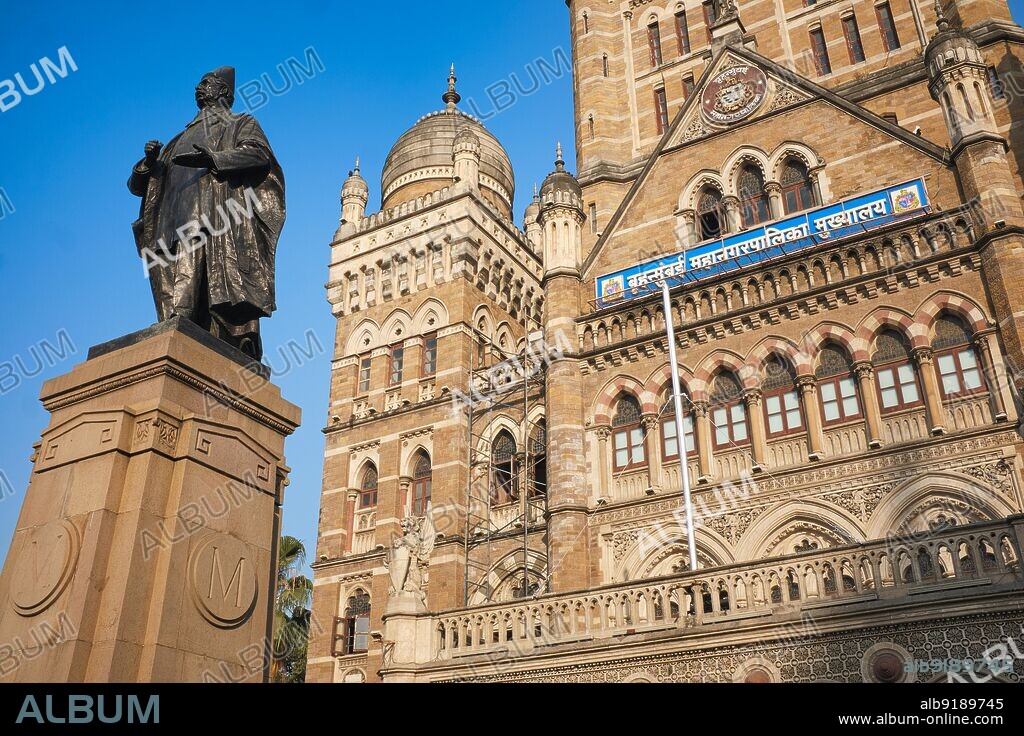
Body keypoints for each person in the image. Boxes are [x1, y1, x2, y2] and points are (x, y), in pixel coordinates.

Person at [128, 66, 285, 360]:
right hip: (169, 216)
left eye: (206, 83)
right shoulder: (177, 139)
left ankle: (180, 319)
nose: (198, 87)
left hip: (209, 213)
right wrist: (148, 163)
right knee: (167, 267)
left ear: (222, 92)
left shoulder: (240, 123)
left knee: (193, 259)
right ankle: (171, 322)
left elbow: (258, 154)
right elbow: (138, 187)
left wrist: (214, 157)